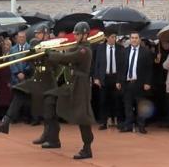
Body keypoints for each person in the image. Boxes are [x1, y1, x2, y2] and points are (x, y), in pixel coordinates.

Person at [40, 22, 97, 160]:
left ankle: (87, 148)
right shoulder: (77, 47)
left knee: (82, 117)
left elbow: (68, 58)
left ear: (85, 35)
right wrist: (48, 55)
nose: (76, 36)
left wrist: (51, 54)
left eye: (78, 34)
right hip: (72, 84)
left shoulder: (85, 50)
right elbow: (65, 60)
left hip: (80, 86)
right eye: (75, 33)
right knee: (49, 98)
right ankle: (53, 137)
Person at [119, 32, 153, 134]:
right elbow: (121, 68)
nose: (134, 40)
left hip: (140, 83)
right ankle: (128, 125)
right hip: (127, 83)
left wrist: (148, 82)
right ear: (130, 39)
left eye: (136, 38)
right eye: (132, 38)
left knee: (141, 105)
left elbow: (149, 69)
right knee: (127, 105)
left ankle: (141, 125)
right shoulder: (124, 51)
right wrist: (118, 81)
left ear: (139, 39)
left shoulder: (146, 52)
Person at [93, 31, 125, 130]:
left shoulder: (120, 49)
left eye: (114, 37)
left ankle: (119, 121)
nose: (113, 39)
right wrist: (96, 78)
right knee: (103, 100)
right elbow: (96, 64)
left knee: (117, 100)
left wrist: (120, 80)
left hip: (116, 77)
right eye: (111, 37)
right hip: (104, 77)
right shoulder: (100, 48)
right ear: (106, 37)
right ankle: (103, 122)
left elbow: (122, 65)